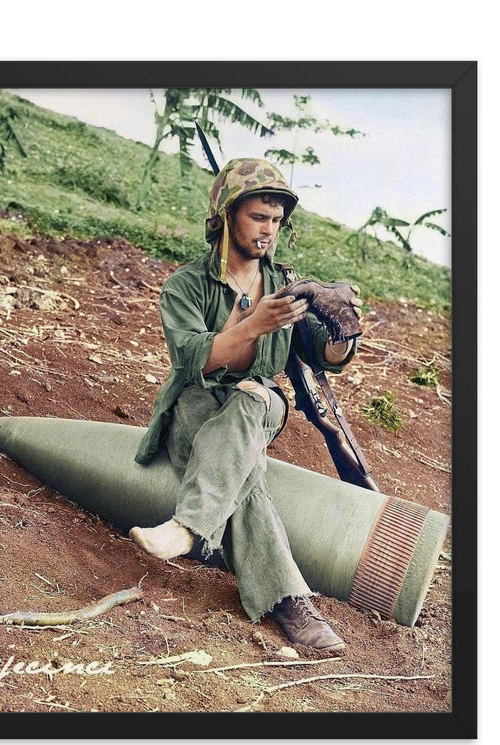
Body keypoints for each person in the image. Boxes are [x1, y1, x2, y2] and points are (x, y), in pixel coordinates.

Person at [131, 158, 360, 652]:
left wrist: (345, 331)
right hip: (195, 402)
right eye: (259, 217)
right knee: (244, 469)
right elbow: (194, 360)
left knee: (251, 400)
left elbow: (327, 355)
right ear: (227, 215)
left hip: (260, 404)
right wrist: (254, 323)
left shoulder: (288, 285)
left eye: (277, 221)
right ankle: (292, 605)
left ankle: (189, 526)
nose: (269, 231)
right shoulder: (186, 285)